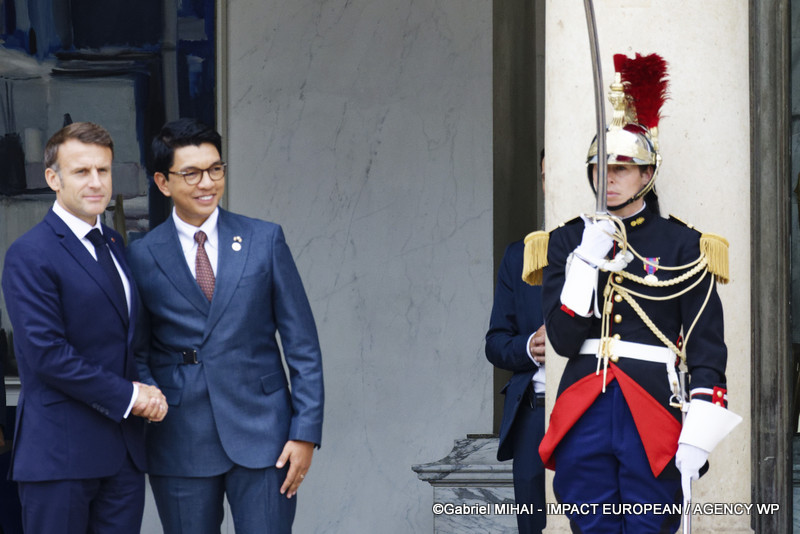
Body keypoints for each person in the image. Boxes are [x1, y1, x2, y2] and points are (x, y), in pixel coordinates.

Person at [524, 53, 740, 532]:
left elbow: (706, 345)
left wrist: (701, 428)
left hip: (653, 407)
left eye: (622, 169)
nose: (609, 179)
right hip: (584, 406)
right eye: (600, 168)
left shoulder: (684, 244)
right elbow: (561, 339)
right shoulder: (564, 242)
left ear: (647, 175)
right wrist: (586, 262)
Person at [128, 118, 324, 534]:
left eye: (215, 169)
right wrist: (151, 398)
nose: (207, 183)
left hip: (266, 434)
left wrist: (305, 432)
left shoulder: (263, 239)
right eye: (192, 173)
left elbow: (302, 344)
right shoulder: (142, 255)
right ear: (163, 183)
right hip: (179, 435)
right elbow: (136, 349)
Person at [0, 122, 167, 534]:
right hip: (61, 456)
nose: (96, 182)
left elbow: (128, 341)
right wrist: (132, 395)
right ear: (52, 179)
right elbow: (46, 356)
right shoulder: (29, 254)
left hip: (122, 456)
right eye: (81, 172)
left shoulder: (114, 245)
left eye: (103, 170)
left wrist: (149, 388)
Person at [485, 149, 546, 534]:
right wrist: (528, 347)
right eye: (545, 174)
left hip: (595, 409)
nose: (549, 181)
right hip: (533, 414)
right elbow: (495, 343)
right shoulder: (518, 256)